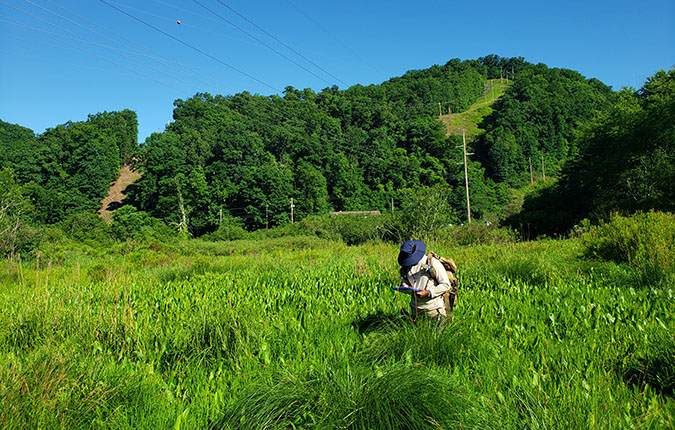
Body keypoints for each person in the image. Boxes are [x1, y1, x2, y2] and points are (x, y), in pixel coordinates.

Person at [397, 239, 452, 321]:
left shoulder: (432, 262)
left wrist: (428, 293)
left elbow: (446, 285)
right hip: (415, 309)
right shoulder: (406, 266)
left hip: (433, 309)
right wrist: (406, 287)